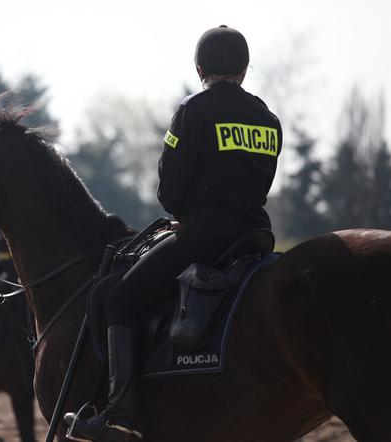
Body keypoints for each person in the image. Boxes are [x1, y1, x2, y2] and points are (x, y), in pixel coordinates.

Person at [65, 25, 283, 441]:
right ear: (244, 68)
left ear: (200, 68)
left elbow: (170, 190)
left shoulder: (192, 110)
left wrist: (185, 210)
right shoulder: (267, 118)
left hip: (204, 236)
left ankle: (121, 415)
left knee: (118, 298)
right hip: (254, 237)